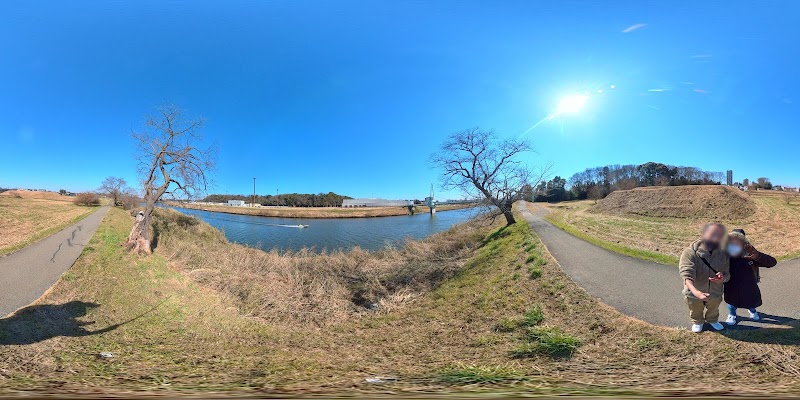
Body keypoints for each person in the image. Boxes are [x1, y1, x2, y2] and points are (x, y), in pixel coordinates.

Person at [679, 223, 730, 333]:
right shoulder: (690, 252)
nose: (716, 238)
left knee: (714, 308)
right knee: (695, 309)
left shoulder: (723, 254)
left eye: (719, 236)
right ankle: (697, 321)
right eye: (713, 234)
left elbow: (727, 273)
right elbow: (687, 274)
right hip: (694, 292)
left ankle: (712, 320)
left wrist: (723, 277)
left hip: (715, 291)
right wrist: (696, 292)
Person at [723, 228, 777, 325]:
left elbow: (772, 263)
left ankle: (752, 311)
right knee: (732, 302)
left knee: (751, 301)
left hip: (749, 285)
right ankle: (732, 315)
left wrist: (758, 256)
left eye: (738, 242)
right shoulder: (724, 256)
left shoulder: (750, 255)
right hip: (731, 285)